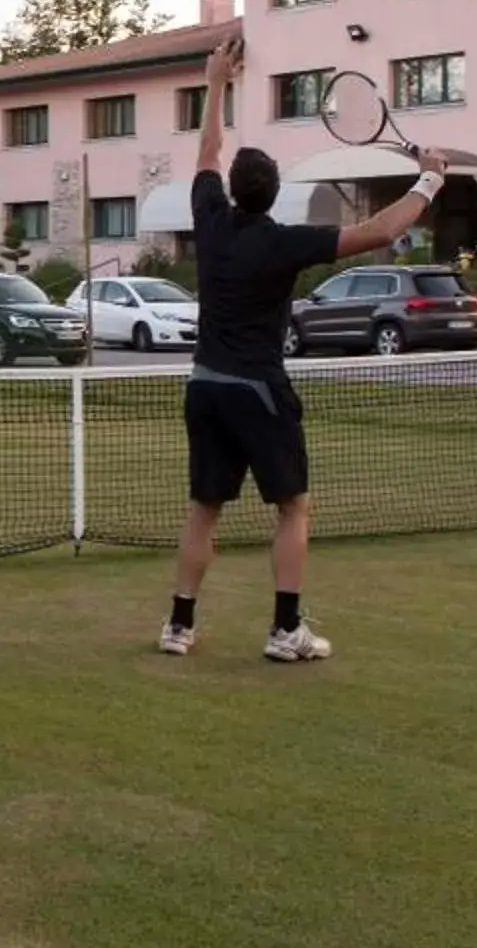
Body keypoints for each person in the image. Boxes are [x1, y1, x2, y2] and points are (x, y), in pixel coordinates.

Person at [162, 32, 446, 663]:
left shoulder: (208, 221)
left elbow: (208, 148)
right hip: (258, 391)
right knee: (294, 506)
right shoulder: (286, 242)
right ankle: (286, 630)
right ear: (275, 190)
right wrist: (430, 180)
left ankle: (178, 627)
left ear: (234, 188)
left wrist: (215, 83)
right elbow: (380, 229)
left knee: (203, 510)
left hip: (204, 386)